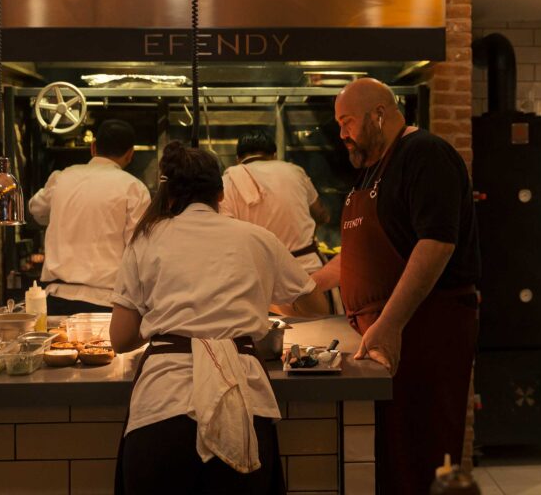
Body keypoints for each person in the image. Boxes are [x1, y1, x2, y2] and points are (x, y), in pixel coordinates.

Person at [110, 141, 329, 495]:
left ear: (166, 192)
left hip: (162, 409)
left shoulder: (146, 240)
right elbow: (316, 304)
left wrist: (162, 320)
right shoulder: (258, 238)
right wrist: (261, 302)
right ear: (221, 192)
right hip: (244, 404)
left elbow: (120, 339)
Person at [311, 78, 481, 494]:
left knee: (423, 446)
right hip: (385, 331)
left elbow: (437, 244)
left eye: (346, 121)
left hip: (427, 328)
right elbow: (358, 251)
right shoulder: (371, 171)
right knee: (394, 452)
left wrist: (390, 323)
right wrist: (299, 285)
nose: (341, 134)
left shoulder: (425, 154)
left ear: (379, 114)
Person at [29, 119, 151, 314]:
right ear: (130, 154)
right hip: (108, 303)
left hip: (58, 300)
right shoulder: (134, 188)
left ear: (93, 147)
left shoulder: (62, 177)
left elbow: (36, 209)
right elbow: (137, 250)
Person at [220, 129, 330, 274]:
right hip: (307, 271)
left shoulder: (227, 181)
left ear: (238, 159)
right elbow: (321, 215)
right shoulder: (295, 171)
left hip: (260, 276)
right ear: (274, 155)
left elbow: (224, 236)